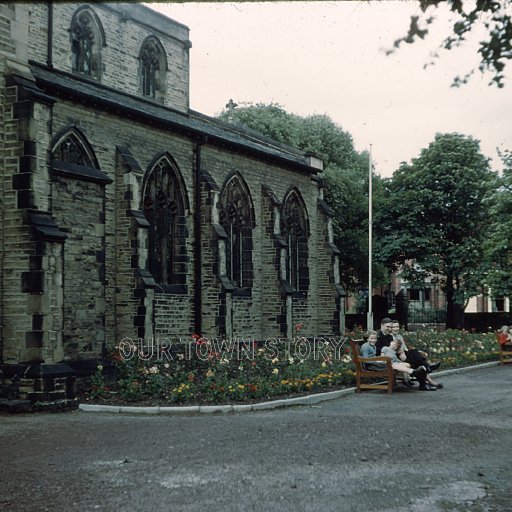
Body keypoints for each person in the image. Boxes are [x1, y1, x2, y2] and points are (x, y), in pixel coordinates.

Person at [361, 331, 429, 387]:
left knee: (405, 364)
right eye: (371, 339)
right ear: (367, 339)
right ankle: (412, 372)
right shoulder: (365, 347)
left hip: (377, 363)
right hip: (371, 366)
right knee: (392, 364)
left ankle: (411, 372)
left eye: (375, 339)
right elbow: (366, 360)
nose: (373, 340)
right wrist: (378, 360)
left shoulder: (372, 346)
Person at [391, 321, 443, 389]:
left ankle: (424, 383)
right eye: (394, 327)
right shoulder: (390, 337)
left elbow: (404, 347)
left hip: (404, 354)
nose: (396, 328)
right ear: (391, 328)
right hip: (397, 357)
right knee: (416, 358)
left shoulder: (399, 336)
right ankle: (428, 376)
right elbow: (392, 349)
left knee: (415, 356)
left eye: (397, 327)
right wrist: (401, 353)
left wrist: (404, 352)